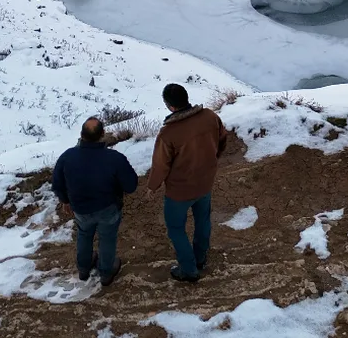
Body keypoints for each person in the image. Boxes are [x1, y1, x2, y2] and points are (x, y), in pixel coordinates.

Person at [146, 83, 228, 282]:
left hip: (179, 191)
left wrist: (152, 186)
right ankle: (200, 259)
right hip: (205, 182)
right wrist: (213, 159)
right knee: (203, 221)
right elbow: (222, 139)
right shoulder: (209, 116)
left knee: (176, 229)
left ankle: (189, 269)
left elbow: (161, 165)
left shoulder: (168, 133)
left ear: (170, 106)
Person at [51, 117, 138, 286]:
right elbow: (131, 186)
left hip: (80, 208)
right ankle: (106, 272)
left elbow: (57, 183)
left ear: (81, 134)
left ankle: (84, 268)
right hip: (108, 207)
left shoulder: (67, 157)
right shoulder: (114, 158)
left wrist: (65, 200)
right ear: (102, 134)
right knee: (107, 238)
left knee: (84, 234)